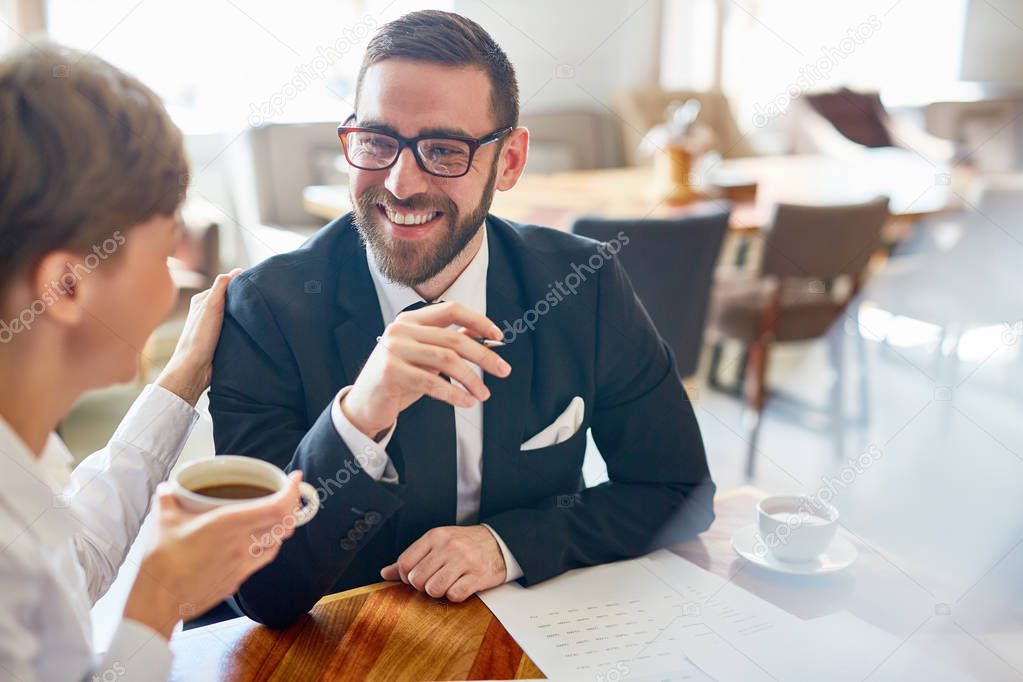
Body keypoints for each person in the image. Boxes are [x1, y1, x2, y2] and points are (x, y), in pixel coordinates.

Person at [211, 10, 715, 629]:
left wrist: (508, 546)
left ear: (509, 161)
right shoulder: (265, 311)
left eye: (444, 150)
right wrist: (360, 416)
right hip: (349, 648)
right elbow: (260, 592)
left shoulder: (584, 287)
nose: (399, 183)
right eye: (376, 141)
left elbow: (678, 490)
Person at [0, 44, 306, 680]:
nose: (175, 289)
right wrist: (158, 602)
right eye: (167, 251)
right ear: (68, 287)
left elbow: (68, 558)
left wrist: (185, 375)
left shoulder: (26, 448)